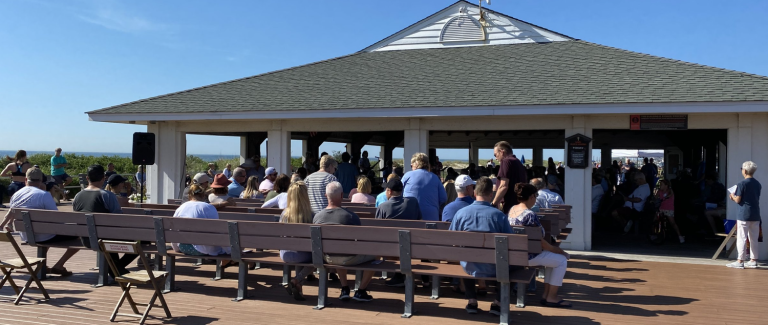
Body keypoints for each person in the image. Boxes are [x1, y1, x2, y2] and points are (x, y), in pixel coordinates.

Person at [449, 177, 512, 315]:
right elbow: (511, 243)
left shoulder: (461, 214)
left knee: (467, 256)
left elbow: (451, 240)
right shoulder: (499, 216)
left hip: (469, 266)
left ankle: (472, 301)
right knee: (514, 265)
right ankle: (497, 303)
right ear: (491, 195)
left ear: (474, 193)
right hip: (494, 267)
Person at [0, 167, 78, 276]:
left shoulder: (16, 195)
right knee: (80, 234)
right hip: (44, 236)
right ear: (41, 181)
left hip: (26, 236)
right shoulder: (44, 195)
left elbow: (11, 212)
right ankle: (59, 265)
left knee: (45, 230)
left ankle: (42, 265)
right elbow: (57, 217)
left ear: (26, 180)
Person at [508, 183, 571, 308]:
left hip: (515, 254)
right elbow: (540, 241)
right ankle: (551, 297)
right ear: (531, 197)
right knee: (562, 260)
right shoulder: (530, 215)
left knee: (553, 260)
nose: (536, 199)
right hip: (529, 256)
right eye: (535, 196)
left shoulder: (512, 210)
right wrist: (558, 250)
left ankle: (546, 295)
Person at [313, 181, 376, 302]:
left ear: (326, 196)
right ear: (342, 196)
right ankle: (361, 291)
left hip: (327, 257)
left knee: (336, 248)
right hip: (349, 257)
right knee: (376, 254)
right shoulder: (351, 216)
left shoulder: (317, 217)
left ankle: (344, 288)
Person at [73, 164, 137, 277]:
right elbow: (118, 220)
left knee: (110, 236)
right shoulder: (107, 195)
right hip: (106, 239)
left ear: (87, 178)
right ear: (103, 178)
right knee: (141, 241)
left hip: (87, 240)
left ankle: (115, 268)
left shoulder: (78, 196)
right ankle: (116, 269)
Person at [280, 181, 316, 301]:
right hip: (303, 254)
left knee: (300, 252)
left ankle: (298, 287)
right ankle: (297, 279)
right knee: (318, 258)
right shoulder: (311, 215)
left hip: (285, 254)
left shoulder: (284, 214)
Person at [173, 184, 231, 256]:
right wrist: (229, 251)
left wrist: (176, 248)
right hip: (203, 250)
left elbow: (173, 230)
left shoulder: (181, 207)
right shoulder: (209, 207)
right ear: (203, 195)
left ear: (189, 196)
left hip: (183, 247)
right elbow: (217, 231)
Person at [726, 161, 762, 269]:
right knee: (753, 238)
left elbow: (738, 200)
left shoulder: (742, 184)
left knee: (741, 237)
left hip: (744, 214)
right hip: (755, 214)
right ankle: (753, 260)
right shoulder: (758, 184)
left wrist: (732, 196)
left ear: (744, 170)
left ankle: (740, 260)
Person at [402, 152, 447, 221]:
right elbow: (443, 198)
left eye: (411, 166)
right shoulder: (435, 178)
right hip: (431, 217)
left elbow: (398, 193)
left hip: (411, 216)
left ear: (416, 164)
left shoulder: (407, 176)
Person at [492, 141, 527, 214]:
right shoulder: (518, 162)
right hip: (518, 205)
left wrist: (493, 204)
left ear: (502, 152)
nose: (495, 158)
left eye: (495, 155)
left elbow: (503, 186)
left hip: (508, 206)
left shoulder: (506, 161)